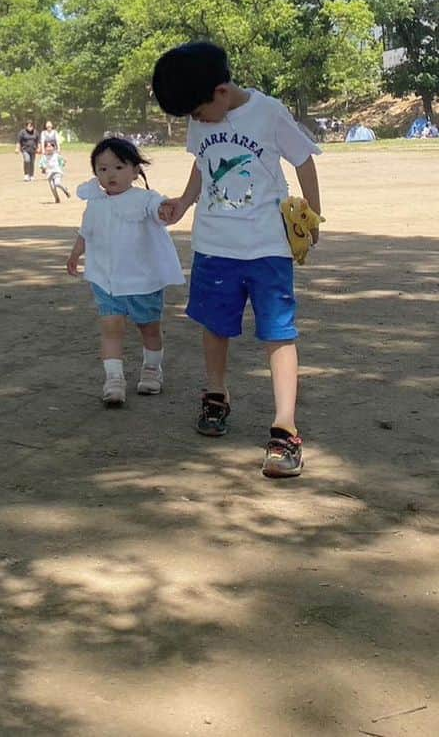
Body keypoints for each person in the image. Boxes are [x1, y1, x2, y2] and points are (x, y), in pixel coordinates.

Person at [153, 41, 321, 479]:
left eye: (197, 111)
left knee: (279, 333)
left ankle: (285, 426)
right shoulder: (201, 116)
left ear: (221, 92)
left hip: (268, 247)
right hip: (214, 245)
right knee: (215, 325)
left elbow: (303, 160)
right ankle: (216, 394)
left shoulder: (268, 112)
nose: (195, 120)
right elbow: (201, 163)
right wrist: (185, 203)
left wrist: (313, 214)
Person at [66, 138, 183, 406]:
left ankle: (152, 369)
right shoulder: (95, 202)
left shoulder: (144, 199)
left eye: (118, 167)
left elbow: (157, 207)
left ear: (134, 170)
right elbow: (86, 232)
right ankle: (114, 379)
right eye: (103, 169)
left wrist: (164, 210)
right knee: (111, 327)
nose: (110, 174)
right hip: (105, 279)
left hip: (142, 280)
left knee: (149, 328)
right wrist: (75, 254)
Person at [40, 133, 70, 202]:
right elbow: (41, 164)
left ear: (54, 148)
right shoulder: (44, 157)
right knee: (52, 187)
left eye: (51, 146)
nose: (49, 148)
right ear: (45, 148)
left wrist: (63, 163)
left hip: (57, 172)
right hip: (49, 173)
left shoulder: (56, 155)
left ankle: (65, 190)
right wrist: (43, 169)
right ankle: (57, 198)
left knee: (57, 183)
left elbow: (62, 161)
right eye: (47, 147)